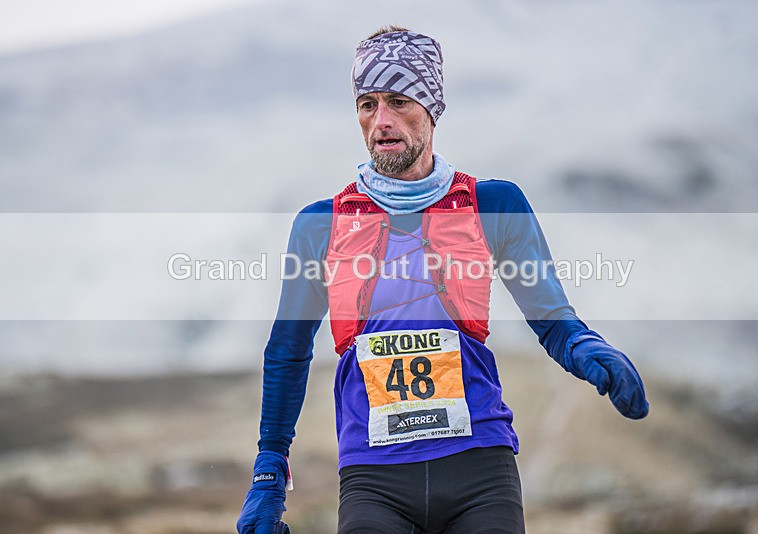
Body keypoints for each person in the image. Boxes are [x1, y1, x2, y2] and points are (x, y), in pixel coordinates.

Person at [236, 26, 649, 534]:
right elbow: (288, 351)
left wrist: (584, 345)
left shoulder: (493, 204)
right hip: (373, 478)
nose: (381, 121)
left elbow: (553, 320)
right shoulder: (322, 225)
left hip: (480, 469)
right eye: (367, 105)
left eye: (398, 102)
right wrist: (268, 473)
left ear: (431, 109)